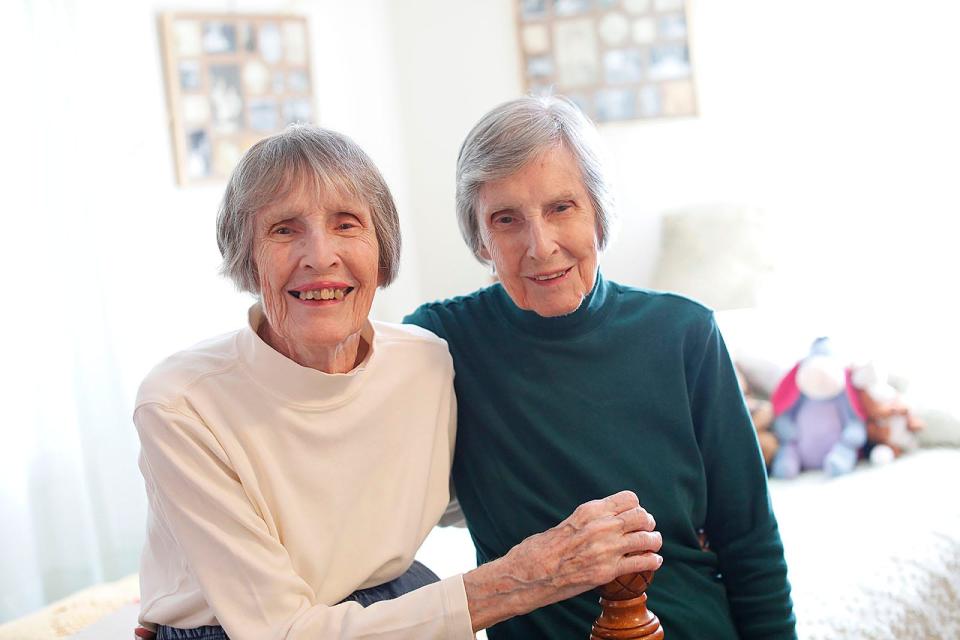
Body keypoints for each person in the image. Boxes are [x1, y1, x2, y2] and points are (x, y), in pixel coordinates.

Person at [134, 125, 663, 640]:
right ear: (246, 258)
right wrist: (518, 580)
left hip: (395, 603)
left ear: (382, 249)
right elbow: (280, 631)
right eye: (283, 229)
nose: (320, 256)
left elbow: (476, 492)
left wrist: (673, 518)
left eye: (346, 224)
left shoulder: (425, 362)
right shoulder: (182, 402)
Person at [404, 96, 797, 639]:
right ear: (480, 237)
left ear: (599, 211)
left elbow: (750, 540)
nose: (540, 246)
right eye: (506, 219)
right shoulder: (440, 344)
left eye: (561, 208)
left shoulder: (686, 333)